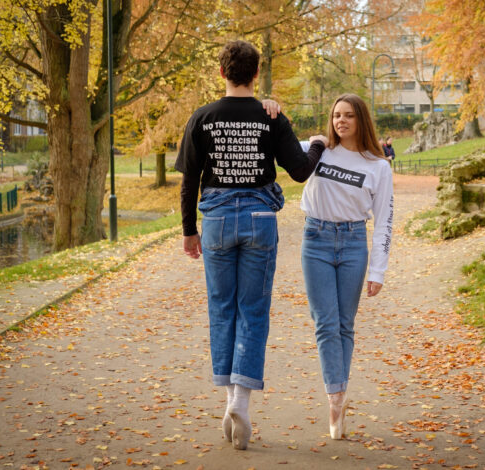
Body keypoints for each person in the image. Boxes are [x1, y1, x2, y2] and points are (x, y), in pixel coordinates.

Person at [175, 40, 327, 450]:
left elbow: (190, 179)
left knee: (221, 308)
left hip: (217, 220)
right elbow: (298, 171)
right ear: (256, 74)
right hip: (261, 220)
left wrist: (190, 231)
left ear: (221, 73)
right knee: (253, 310)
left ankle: (228, 399)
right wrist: (318, 144)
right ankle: (241, 401)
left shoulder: (202, 117)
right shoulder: (269, 116)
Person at [300, 94, 394, 439]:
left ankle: (338, 390)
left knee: (344, 324)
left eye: (349, 116)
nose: (341, 121)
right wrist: (268, 107)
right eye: (336, 115)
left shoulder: (378, 166)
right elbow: (275, 144)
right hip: (316, 240)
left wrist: (378, 271)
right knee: (325, 324)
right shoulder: (317, 150)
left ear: (361, 121)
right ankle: (335, 398)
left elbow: (384, 221)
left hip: (354, 243)